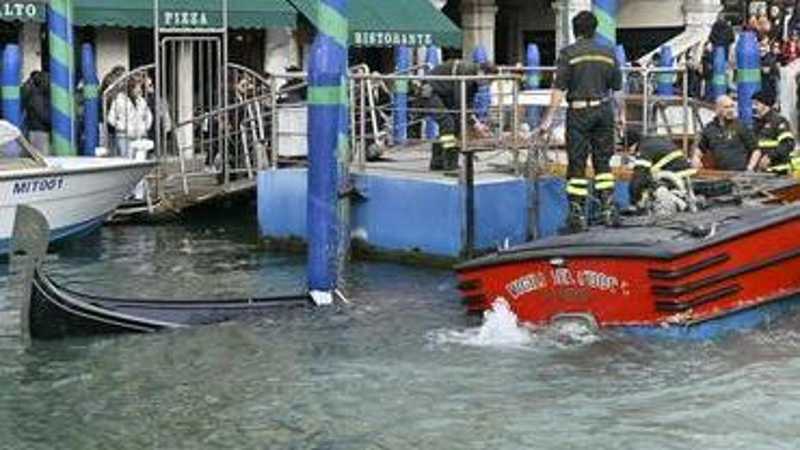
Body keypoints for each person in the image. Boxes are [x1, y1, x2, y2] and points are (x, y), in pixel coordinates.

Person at [538, 10, 623, 232]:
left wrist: (547, 120)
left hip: (579, 113)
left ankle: (577, 215)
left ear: (575, 30)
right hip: (604, 111)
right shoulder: (609, 53)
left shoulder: (568, 54)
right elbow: (617, 90)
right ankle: (608, 209)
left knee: (577, 164)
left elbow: (559, 89)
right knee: (603, 162)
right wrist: (621, 115)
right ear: (595, 29)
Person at [419, 59, 496, 171]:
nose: (487, 84)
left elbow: (468, 103)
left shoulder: (474, 80)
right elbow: (459, 102)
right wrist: (474, 124)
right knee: (448, 124)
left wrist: (476, 123)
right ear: (481, 72)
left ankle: (437, 162)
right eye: (488, 80)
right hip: (430, 93)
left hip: (443, 94)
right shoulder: (466, 72)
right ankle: (450, 164)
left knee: (453, 125)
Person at [627, 128, 696, 215]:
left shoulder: (643, 148)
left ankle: (680, 205)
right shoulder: (653, 141)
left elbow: (639, 175)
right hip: (686, 173)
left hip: (674, 175)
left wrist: (634, 200)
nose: (628, 152)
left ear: (633, 144)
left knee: (657, 189)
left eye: (628, 149)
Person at [693, 95, 759, 171]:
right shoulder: (710, 128)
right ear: (717, 109)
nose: (730, 110)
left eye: (732, 106)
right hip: (720, 173)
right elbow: (700, 149)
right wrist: (696, 159)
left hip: (740, 173)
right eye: (726, 107)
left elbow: (756, 150)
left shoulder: (741, 126)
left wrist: (750, 168)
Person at [751, 90, 797, 174]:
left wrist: (770, 157)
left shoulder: (778, 121)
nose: (753, 107)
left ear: (765, 104)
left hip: (779, 171)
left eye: (756, 104)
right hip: (762, 171)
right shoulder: (757, 123)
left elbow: (788, 144)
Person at [107, 76, 153, 159]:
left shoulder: (141, 101)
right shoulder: (119, 100)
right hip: (124, 136)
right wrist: (121, 126)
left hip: (140, 135)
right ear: (130, 89)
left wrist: (145, 127)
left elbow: (149, 116)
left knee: (140, 160)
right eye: (137, 88)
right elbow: (111, 118)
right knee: (127, 159)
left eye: (140, 88)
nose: (139, 90)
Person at [22, 71, 50, 154]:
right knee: (41, 156)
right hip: (39, 130)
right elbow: (42, 114)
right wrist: (54, 122)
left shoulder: (35, 94)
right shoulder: (37, 96)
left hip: (36, 129)